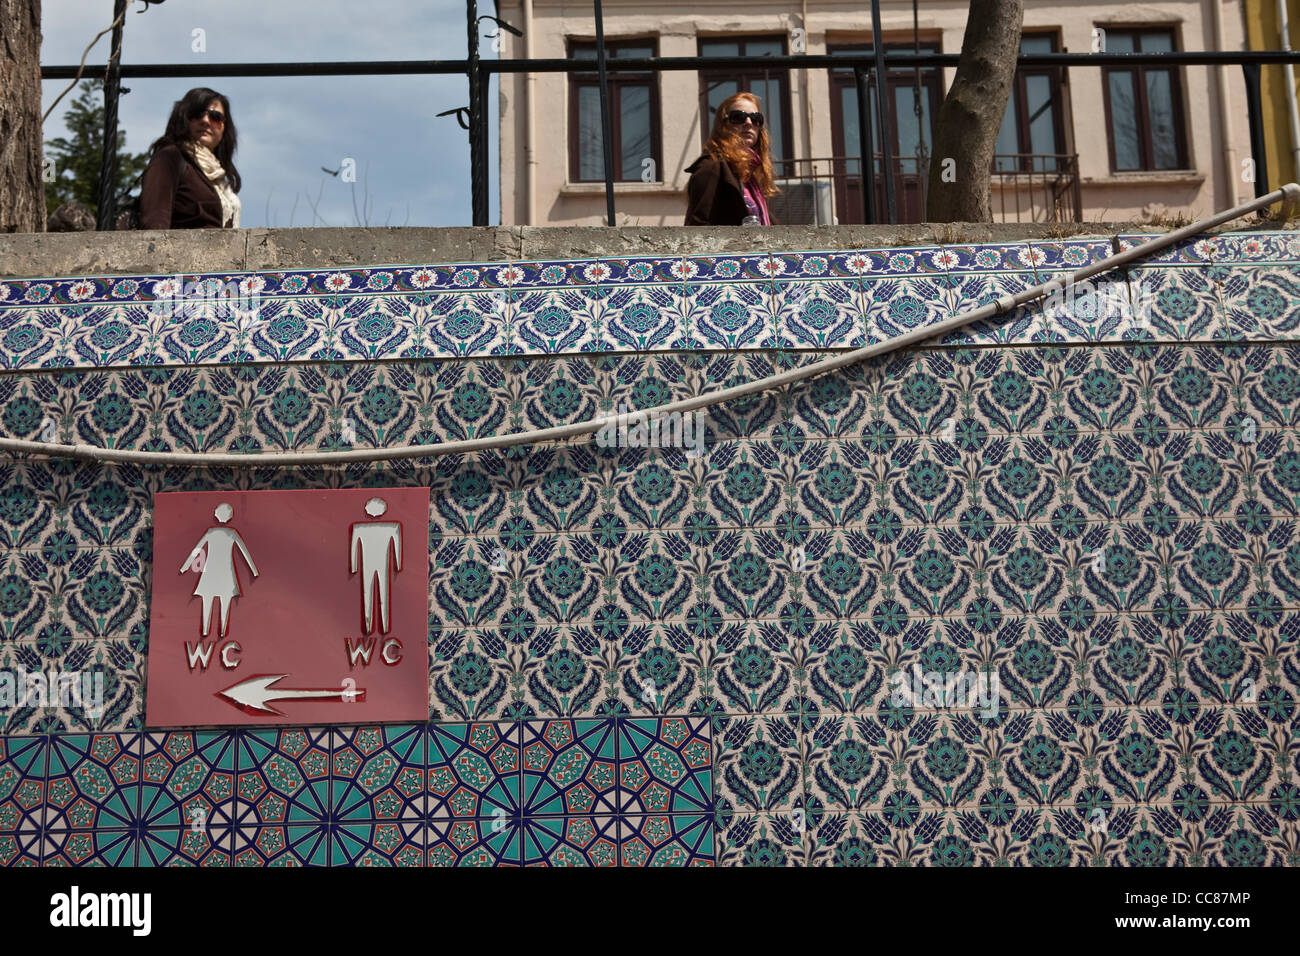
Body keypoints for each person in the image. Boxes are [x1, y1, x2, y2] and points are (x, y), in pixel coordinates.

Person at [139, 88, 242, 229]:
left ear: (225, 127)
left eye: (215, 117)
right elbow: (153, 224)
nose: (206, 121)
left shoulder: (222, 181)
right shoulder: (170, 158)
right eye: (197, 113)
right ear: (183, 117)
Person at [684, 92, 777, 226]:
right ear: (722, 125)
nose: (748, 123)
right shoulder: (711, 166)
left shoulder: (752, 178)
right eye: (739, 117)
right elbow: (699, 227)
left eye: (756, 118)